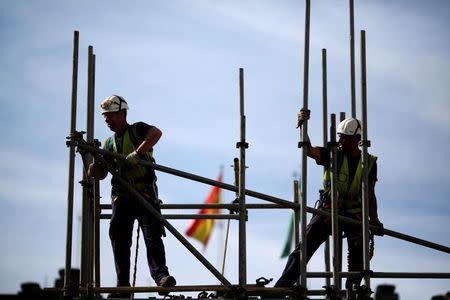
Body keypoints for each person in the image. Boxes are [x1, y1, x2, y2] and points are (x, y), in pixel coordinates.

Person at [274, 108, 384, 292]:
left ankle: (353, 289)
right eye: (339, 136)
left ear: (357, 140)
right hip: (329, 211)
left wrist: (374, 220)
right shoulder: (333, 153)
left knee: (358, 249)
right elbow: (309, 150)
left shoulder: (369, 162)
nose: (340, 141)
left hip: (353, 215)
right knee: (304, 247)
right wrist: (303, 127)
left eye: (345, 138)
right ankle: (282, 287)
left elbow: (370, 194)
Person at [88, 95, 176, 298]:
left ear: (121, 114)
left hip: (144, 192)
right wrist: (93, 167)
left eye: (109, 116)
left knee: (152, 235)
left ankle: (161, 276)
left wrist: (138, 152)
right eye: (105, 117)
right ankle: (123, 286)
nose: (107, 120)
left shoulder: (137, 130)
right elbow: (102, 174)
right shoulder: (108, 144)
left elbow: (156, 133)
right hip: (122, 196)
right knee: (119, 239)